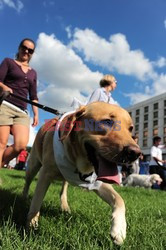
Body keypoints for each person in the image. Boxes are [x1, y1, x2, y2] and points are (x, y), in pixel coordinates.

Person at [0, 38, 39, 169]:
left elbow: (33, 95)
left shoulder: (33, 72)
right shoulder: (8, 62)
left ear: (32, 53)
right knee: (1, 143)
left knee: (21, 145)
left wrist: (36, 113)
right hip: (5, 105)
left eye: (30, 50)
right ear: (19, 47)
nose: (26, 51)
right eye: (24, 47)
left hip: (22, 110)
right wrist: (4, 87)